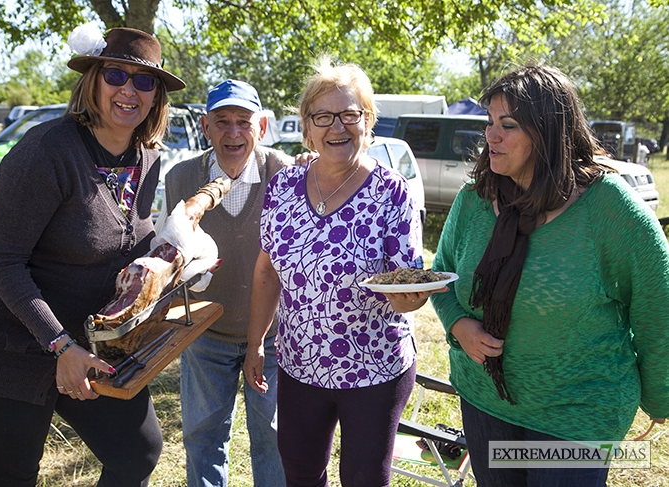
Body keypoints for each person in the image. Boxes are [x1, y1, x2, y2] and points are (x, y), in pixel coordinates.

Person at [0, 25, 186, 486]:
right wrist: (60, 344)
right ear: (92, 79)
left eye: (145, 81)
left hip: (81, 340)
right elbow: (3, 260)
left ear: (157, 96)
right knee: (12, 476)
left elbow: (127, 238)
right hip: (0, 343)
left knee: (137, 452)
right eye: (116, 74)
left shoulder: (147, 158)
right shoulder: (45, 151)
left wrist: (174, 257)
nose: (129, 90)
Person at [430, 64, 669, 486]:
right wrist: (458, 324)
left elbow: (657, 305)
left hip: (576, 412)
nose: (491, 136)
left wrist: (660, 396)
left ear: (548, 132)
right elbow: (441, 275)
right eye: (489, 123)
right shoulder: (476, 198)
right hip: (485, 399)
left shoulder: (607, 207)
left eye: (508, 125)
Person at [242, 57, 447, 487]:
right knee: (299, 474)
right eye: (323, 116)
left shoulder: (393, 191)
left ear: (367, 122)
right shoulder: (282, 186)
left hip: (373, 368)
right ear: (307, 127)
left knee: (364, 479)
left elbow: (404, 279)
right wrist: (256, 341)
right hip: (300, 365)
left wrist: (411, 296)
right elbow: (266, 271)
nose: (337, 127)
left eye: (349, 115)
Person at [158, 79, 292, 487]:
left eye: (243, 122)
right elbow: (171, 249)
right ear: (205, 126)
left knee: (272, 436)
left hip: (273, 334)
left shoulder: (285, 174)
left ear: (262, 127)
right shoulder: (181, 178)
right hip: (205, 330)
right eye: (222, 122)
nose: (233, 132)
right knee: (203, 435)